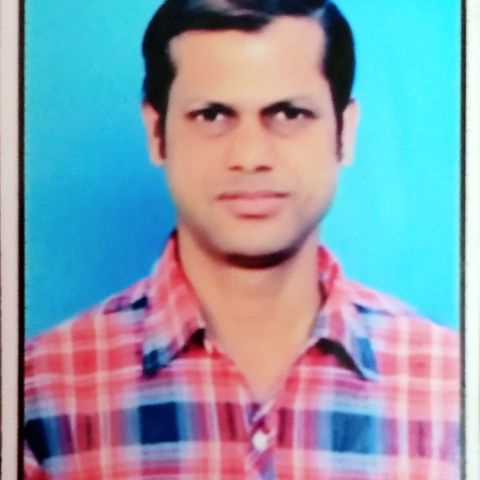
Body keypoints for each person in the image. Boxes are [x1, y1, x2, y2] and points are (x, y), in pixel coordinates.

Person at [24, 0, 460, 478]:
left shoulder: (452, 386)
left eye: (290, 113)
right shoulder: (39, 393)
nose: (250, 156)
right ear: (156, 133)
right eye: (212, 115)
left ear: (345, 132)